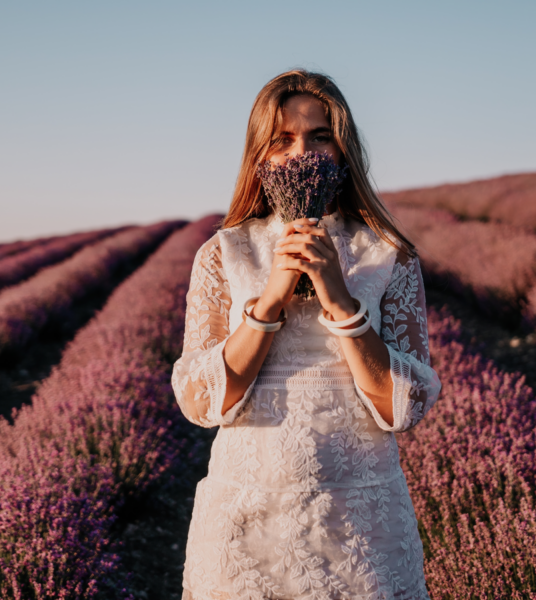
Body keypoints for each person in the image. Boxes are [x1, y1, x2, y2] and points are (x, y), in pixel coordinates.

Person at [171, 69, 442, 600]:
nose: (303, 154)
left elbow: (403, 408)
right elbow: (200, 403)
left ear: (344, 151)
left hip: (360, 523)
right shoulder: (222, 253)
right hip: (248, 518)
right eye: (283, 140)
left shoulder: (388, 255)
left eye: (321, 137)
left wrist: (339, 298)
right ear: (260, 156)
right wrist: (269, 298)